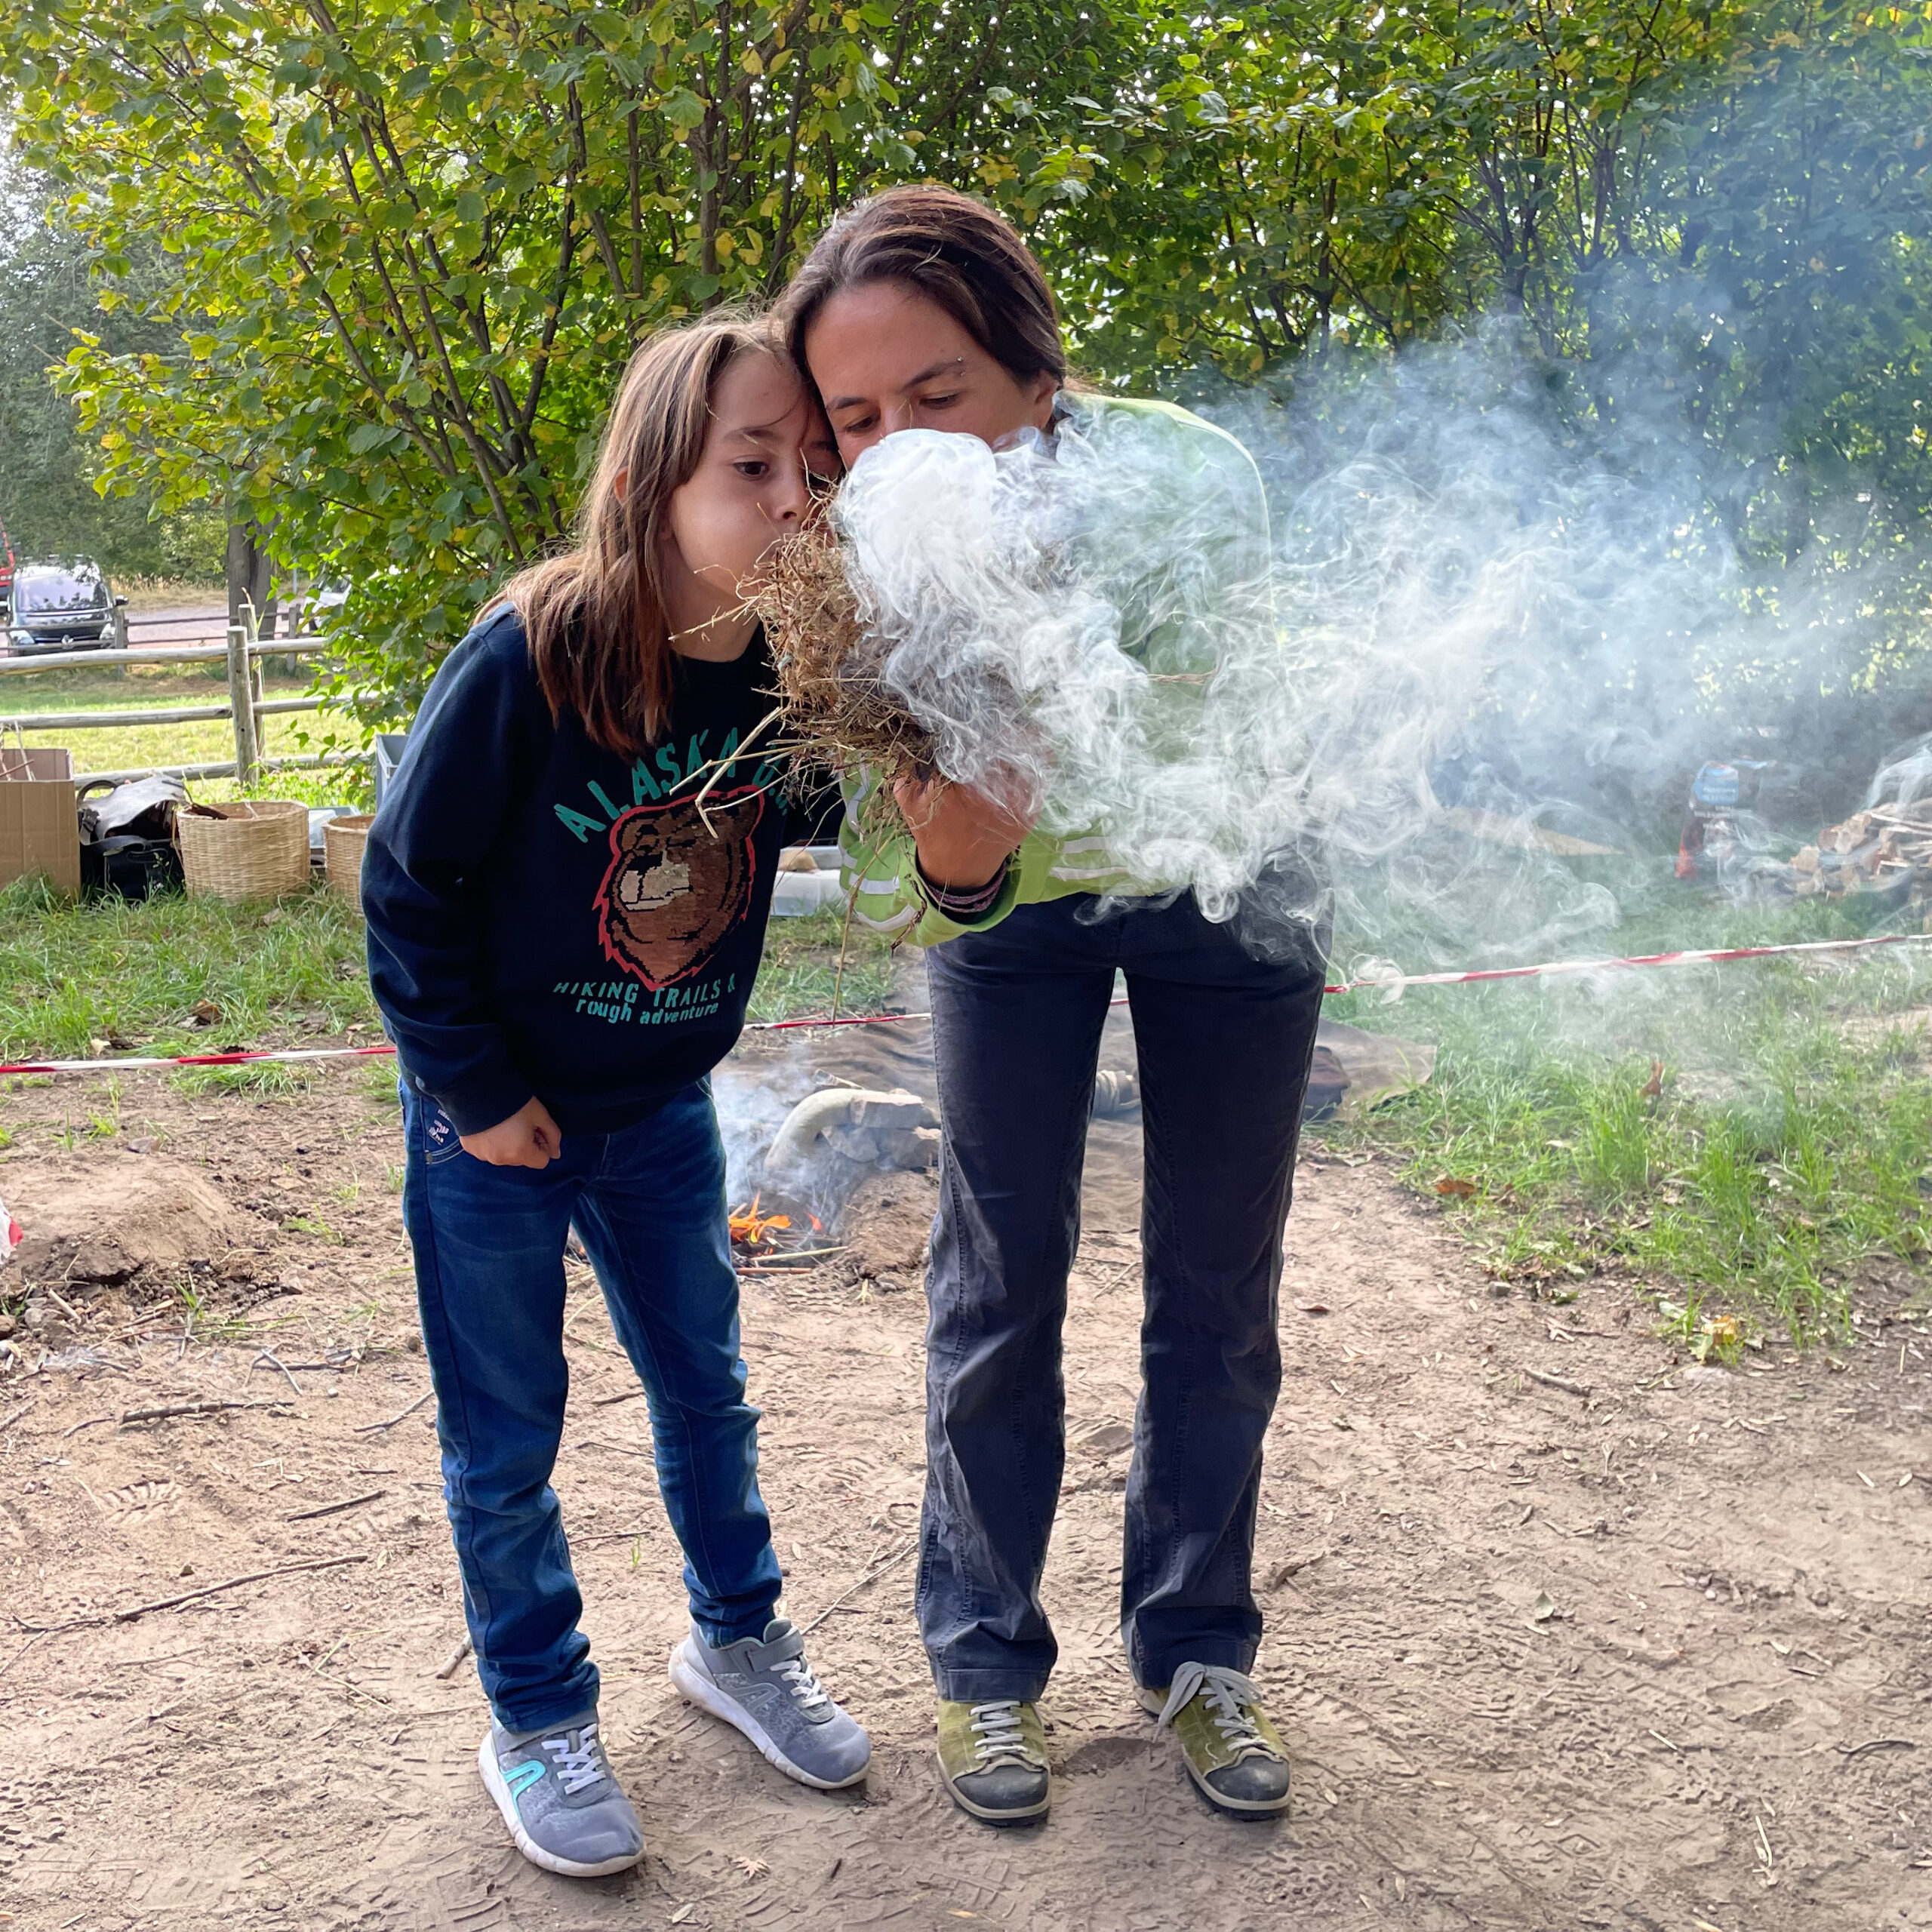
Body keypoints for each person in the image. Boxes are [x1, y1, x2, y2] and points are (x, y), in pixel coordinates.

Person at [777, 187, 1328, 1825]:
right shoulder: (845, 548)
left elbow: (1211, 744)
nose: (892, 452)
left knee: (1214, 1280)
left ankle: (1194, 1646)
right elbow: (950, 865)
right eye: (854, 417)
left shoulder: (1184, 474)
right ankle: (982, 1665)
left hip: (1231, 883)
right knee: (1000, 1268)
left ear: (1035, 369)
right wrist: (957, 742)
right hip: (1010, 914)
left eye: (935, 398)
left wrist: (1028, 608)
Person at [361, 314, 869, 1880]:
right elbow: (407, 883)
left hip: (660, 1111)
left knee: (703, 1393)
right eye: (751, 466)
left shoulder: (791, 668)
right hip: (498, 1122)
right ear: (655, 478)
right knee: (506, 1435)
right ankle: (534, 1708)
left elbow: (835, 804)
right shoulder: (536, 649)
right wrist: (476, 1085)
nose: (795, 499)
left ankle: (737, 1639)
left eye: (815, 469)